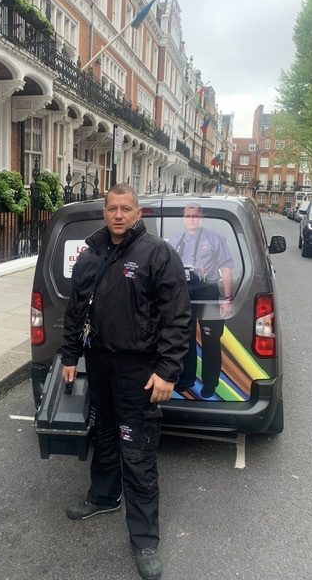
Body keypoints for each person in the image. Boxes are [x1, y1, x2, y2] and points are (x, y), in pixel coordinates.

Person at [61, 184, 191, 580]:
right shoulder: (91, 252)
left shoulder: (157, 254)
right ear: (104, 213)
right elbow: (75, 307)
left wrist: (168, 370)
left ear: (139, 213)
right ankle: (103, 496)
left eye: (126, 209)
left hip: (140, 369)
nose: (118, 215)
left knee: (137, 451)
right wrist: (70, 356)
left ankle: (145, 538)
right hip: (100, 362)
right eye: (112, 209)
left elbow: (178, 317)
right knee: (102, 434)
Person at [169, 203, 234, 399]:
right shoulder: (175, 239)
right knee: (185, 338)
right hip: (184, 293)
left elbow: (227, 268)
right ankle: (186, 378)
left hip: (208, 291)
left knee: (210, 339)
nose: (192, 219)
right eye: (188, 215)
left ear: (201, 217)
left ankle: (210, 383)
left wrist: (227, 298)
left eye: (195, 215)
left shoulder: (215, 238)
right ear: (183, 218)